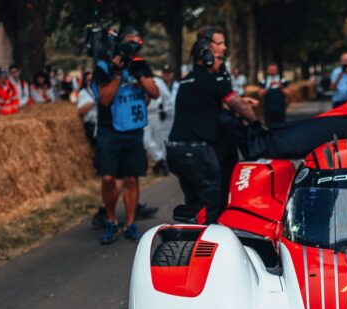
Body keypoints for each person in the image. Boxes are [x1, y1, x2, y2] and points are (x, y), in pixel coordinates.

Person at [168, 26, 259, 224]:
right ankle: (208, 246)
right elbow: (235, 104)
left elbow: (205, 106)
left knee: (194, 203)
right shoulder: (212, 79)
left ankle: (189, 242)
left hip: (177, 151)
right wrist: (256, 123)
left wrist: (240, 101)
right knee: (211, 204)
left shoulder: (187, 81)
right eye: (219, 45)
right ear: (206, 53)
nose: (223, 49)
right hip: (200, 151)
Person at [92, 26, 160, 244]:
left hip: (134, 129)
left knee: (132, 178)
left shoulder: (140, 64)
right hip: (109, 130)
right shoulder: (104, 67)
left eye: (137, 44)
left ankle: (130, 224)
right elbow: (104, 99)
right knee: (109, 178)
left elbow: (154, 93)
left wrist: (138, 74)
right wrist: (118, 73)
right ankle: (110, 220)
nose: (133, 47)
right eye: (129, 43)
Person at [144, 65, 175, 175]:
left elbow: (167, 98)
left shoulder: (157, 81)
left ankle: (160, 164)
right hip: (145, 114)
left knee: (159, 141)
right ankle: (159, 160)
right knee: (146, 140)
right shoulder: (138, 82)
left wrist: (165, 111)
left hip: (157, 114)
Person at [76, 71, 97, 145]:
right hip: (91, 124)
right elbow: (80, 111)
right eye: (89, 80)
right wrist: (94, 101)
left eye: (93, 80)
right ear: (85, 81)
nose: (91, 82)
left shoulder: (97, 90)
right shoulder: (83, 93)